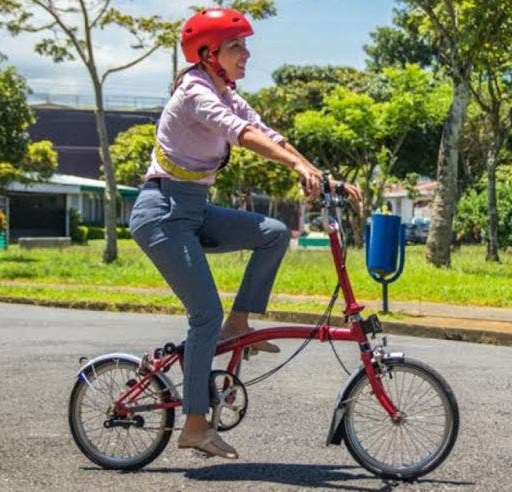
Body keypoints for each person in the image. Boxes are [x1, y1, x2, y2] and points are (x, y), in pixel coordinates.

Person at [128, 7, 361, 460]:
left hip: (193, 208)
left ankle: (239, 322)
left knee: (273, 232)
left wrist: (318, 174)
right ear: (208, 53)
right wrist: (294, 166)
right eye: (236, 47)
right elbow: (240, 135)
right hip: (161, 212)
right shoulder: (195, 92)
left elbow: (264, 132)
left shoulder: (225, 90)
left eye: (245, 45)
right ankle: (195, 425)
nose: (246, 55)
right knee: (203, 316)